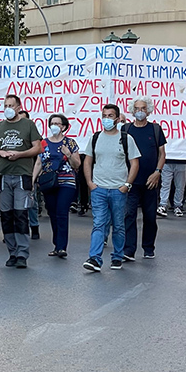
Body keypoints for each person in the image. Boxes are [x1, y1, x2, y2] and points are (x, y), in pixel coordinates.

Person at [0, 95, 43, 269]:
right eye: (5, 105)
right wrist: (0, 153)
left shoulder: (28, 125)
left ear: (19, 107)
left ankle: (22, 254)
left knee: (20, 214)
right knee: (6, 215)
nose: (8, 108)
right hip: (3, 175)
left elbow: (38, 147)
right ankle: (12, 252)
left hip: (22, 175)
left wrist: (20, 154)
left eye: (11, 105)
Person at [82, 104, 141, 272]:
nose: (106, 119)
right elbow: (87, 161)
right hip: (99, 188)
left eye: (110, 116)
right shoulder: (95, 138)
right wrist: (90, 183)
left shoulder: (126, 139)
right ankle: (94, 258)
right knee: (99, 224)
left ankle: (117, 257)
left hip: (118, 189)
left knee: (118, 225)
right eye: (104, 115)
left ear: (117, 118)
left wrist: (127, 185)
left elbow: (134, 163)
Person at [122, 97, 166, 261]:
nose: (139, 111)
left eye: (143, 108)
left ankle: (148, 248)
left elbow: (162, 154)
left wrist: (157, 172)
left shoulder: (155, 129)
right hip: (131, 181)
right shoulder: (126, 129)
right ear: (132, 111)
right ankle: (129, 250)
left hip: (151, 181)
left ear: (148, 111)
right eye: (137, 108)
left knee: (150, 216)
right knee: (129, 215)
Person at [33, 113, 80, 259]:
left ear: (63, 127)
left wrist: (69, 154)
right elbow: (39, 163)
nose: (54, 126)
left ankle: (61, 247)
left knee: (61, 212)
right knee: (52, 213)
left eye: (57, 123)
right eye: (52, 123)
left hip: (66, 181)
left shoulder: (70, 143)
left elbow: (77, 164)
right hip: (49, 182)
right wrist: (32, 181)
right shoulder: (44, 143)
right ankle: (56, 244)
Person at [17, 110, 42, 240]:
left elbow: (39, 157)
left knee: (31, 201)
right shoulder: (12, 136)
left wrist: (36, 174)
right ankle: (18, 229)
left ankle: (34, 226)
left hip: (29, 172)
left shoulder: (34, 137)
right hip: (15, 172)